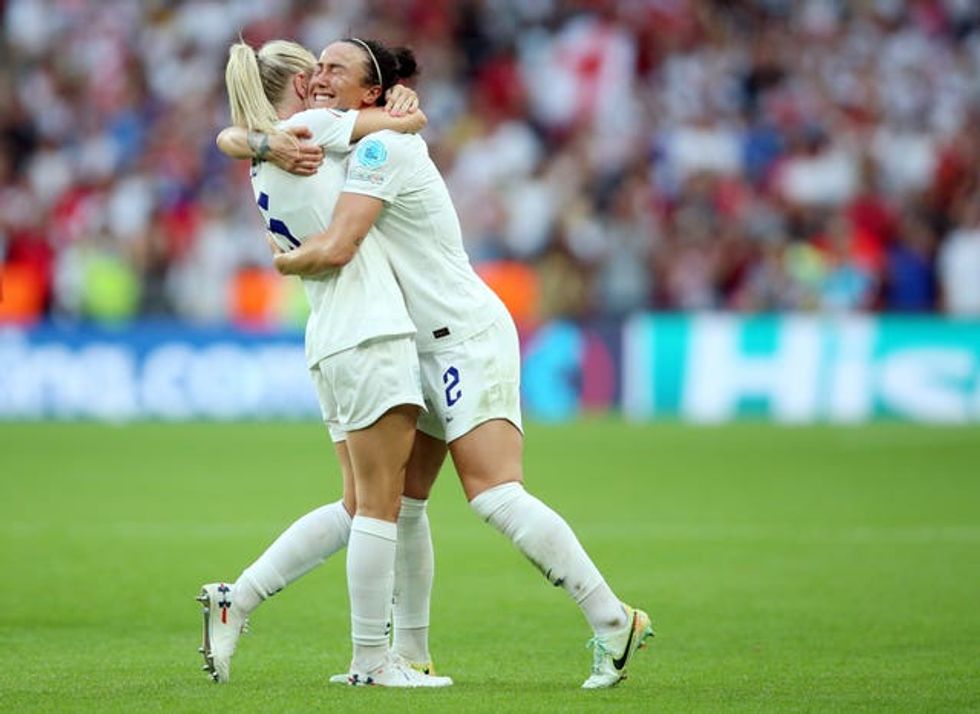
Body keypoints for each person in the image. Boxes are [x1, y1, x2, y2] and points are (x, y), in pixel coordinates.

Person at [224, 37, 653, 689]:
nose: (319, 76)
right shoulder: (346, 137)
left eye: (335, 68)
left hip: (463, 335)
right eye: (316, 68)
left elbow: (339, 243)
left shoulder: (381, 147)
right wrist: (257, 141)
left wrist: (287, 261)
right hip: (414, 341)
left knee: (495, 494)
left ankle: (612, 618)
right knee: (401, 505)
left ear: (372, 91)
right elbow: (244, 135)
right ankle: (413, 654)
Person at [202, 38, 451, 688]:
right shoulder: (310, 127)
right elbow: (403, 124)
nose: (323, 80)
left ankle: (238, 598)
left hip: (331, 335)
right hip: (370, 331)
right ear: (300, 84)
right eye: (316, 71)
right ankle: (371, 661)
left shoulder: (269, 153)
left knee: (357, 502)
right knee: (381, 506)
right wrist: (400, 100)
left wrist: (249, 137)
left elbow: (234, 137)